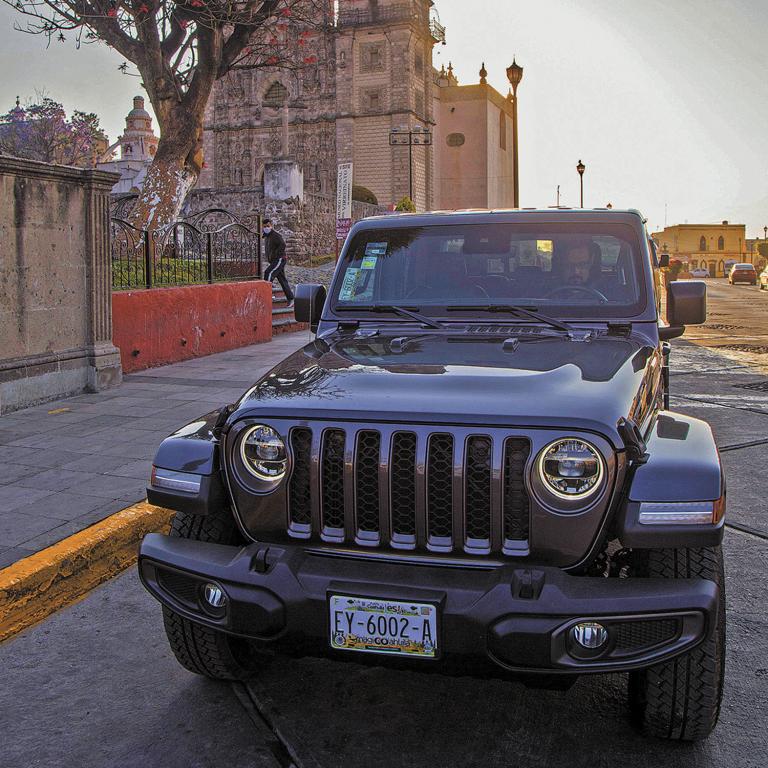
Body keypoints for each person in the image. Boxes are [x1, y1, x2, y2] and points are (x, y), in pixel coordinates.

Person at [262, 218, 294, 306]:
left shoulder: (276, 235)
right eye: (264, 226)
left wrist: (276, 255)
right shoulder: (267, 236)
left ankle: (267, 294)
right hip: (274, 260)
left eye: (268, 226)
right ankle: (291, 298)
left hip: (279, 259)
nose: (266, 228)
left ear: (271, 226)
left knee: (268, 273)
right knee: (282, 280)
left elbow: (282, 245)